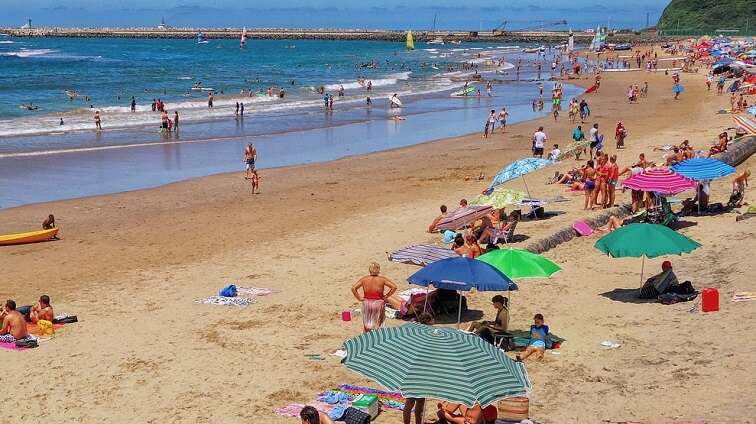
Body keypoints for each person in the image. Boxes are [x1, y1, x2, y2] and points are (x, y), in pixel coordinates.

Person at [351, 262, 398, 332]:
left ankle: (367, 338)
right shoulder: (382, 279)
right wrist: (387, 296)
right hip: (378, 303)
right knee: (379, 324)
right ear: (378, 270)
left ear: (369, 270)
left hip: (367, 303)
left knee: (367, 324)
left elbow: (353, 288)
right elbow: (394, 287)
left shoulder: (364, 279)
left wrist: (359, 298)